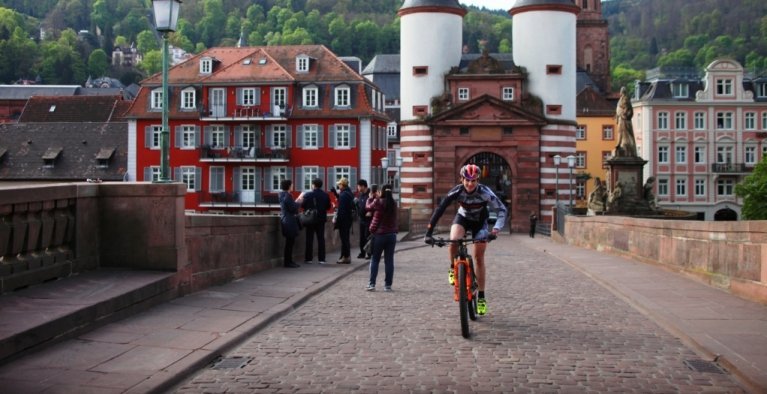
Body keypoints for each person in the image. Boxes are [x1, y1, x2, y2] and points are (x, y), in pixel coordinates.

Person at [424, 164, 508, 316]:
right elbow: (440, 210)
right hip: (462, 218)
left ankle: (481, 297)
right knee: (454, 239)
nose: (470, 184)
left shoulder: (485, 192)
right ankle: (452, 268)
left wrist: (495, 230)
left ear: (478, 180)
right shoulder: (456, 191)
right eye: (467, 180)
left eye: (474, 181)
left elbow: (502, 210)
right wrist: (429, 232)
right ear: (461, 179)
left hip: (479, 222)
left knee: (478, 257)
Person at [365, 184, 398, 291]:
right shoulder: (393, 203)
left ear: (381, 191)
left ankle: (372, 284)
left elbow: (368, 207)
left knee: (375, 260)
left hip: (379, 235)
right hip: (391, 235)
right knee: (389, 261)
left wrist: (370, 197)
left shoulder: (378, 202)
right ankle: (388, 285)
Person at [299, 178, 331, 264]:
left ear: (313, 185)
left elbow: (302, 205)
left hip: (310, 219)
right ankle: (322, 259)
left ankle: (309, 258)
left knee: (309, 238)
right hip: (321, 219)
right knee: (321, 239)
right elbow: (328, 207)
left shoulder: (308, 195)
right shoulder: (325, 195)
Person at [278, 179, 300, 268]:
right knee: (290, 243)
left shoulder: (282, 195)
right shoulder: (287, 196)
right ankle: (288, 262)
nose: (293, 186)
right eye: (292, 185)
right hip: (289, 220)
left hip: (285, 219)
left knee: (289, 243)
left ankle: (289, 261)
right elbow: (293, 208)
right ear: (288, 186)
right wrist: (298, 202)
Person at [333, 177, 355, 264]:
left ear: (342, 185)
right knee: (346, 239)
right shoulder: (349, 193)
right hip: (348, 219)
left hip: (344, 220)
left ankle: (346, 257)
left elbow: (341, 210)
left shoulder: (343, 195)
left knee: (344, 239)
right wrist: (335, 193)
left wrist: (337, 222)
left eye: (339, 184)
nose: (338, 185)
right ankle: (344, 256)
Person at [355, 179, 372, 260]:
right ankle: (362, 253)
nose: (358, 188)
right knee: (362, 237)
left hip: (368, 220)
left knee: (367, 236)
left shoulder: (370, 195)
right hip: (361, 219)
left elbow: (373, 205)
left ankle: (369, 253)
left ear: (362, 186)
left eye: (358, 186)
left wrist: (370, 212)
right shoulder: (361, 195)